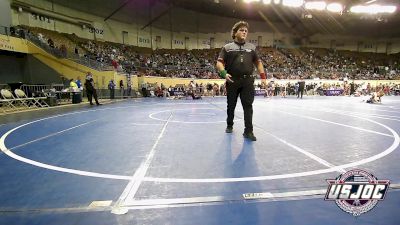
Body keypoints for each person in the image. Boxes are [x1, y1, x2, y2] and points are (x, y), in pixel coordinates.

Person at [216, 21, 266, 141]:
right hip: (232, 80)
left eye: (245, 31)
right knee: (231, 105)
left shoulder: (252, 48)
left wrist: (263, 77)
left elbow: (258, 62)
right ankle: (229, 125)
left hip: (247, 81)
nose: (244, 32)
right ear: (235, 32)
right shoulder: (227, 48)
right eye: (241, 30)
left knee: (248, 106)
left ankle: (248, 131)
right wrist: (224, 73)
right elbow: (219, 63)